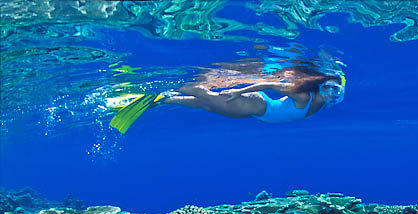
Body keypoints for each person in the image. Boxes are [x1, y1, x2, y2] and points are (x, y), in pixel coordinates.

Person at [109, 66, 346, 134]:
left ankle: (164, 99)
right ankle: (160, 87)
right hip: (256, 105)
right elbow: (271, 83)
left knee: (207, 105)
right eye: (328, 88)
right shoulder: (305, 94)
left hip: (258, 109)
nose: (330, 93)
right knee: (206, 96)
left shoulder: (321, 101)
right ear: (319, 85)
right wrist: (238, 92)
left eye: (336, 91)